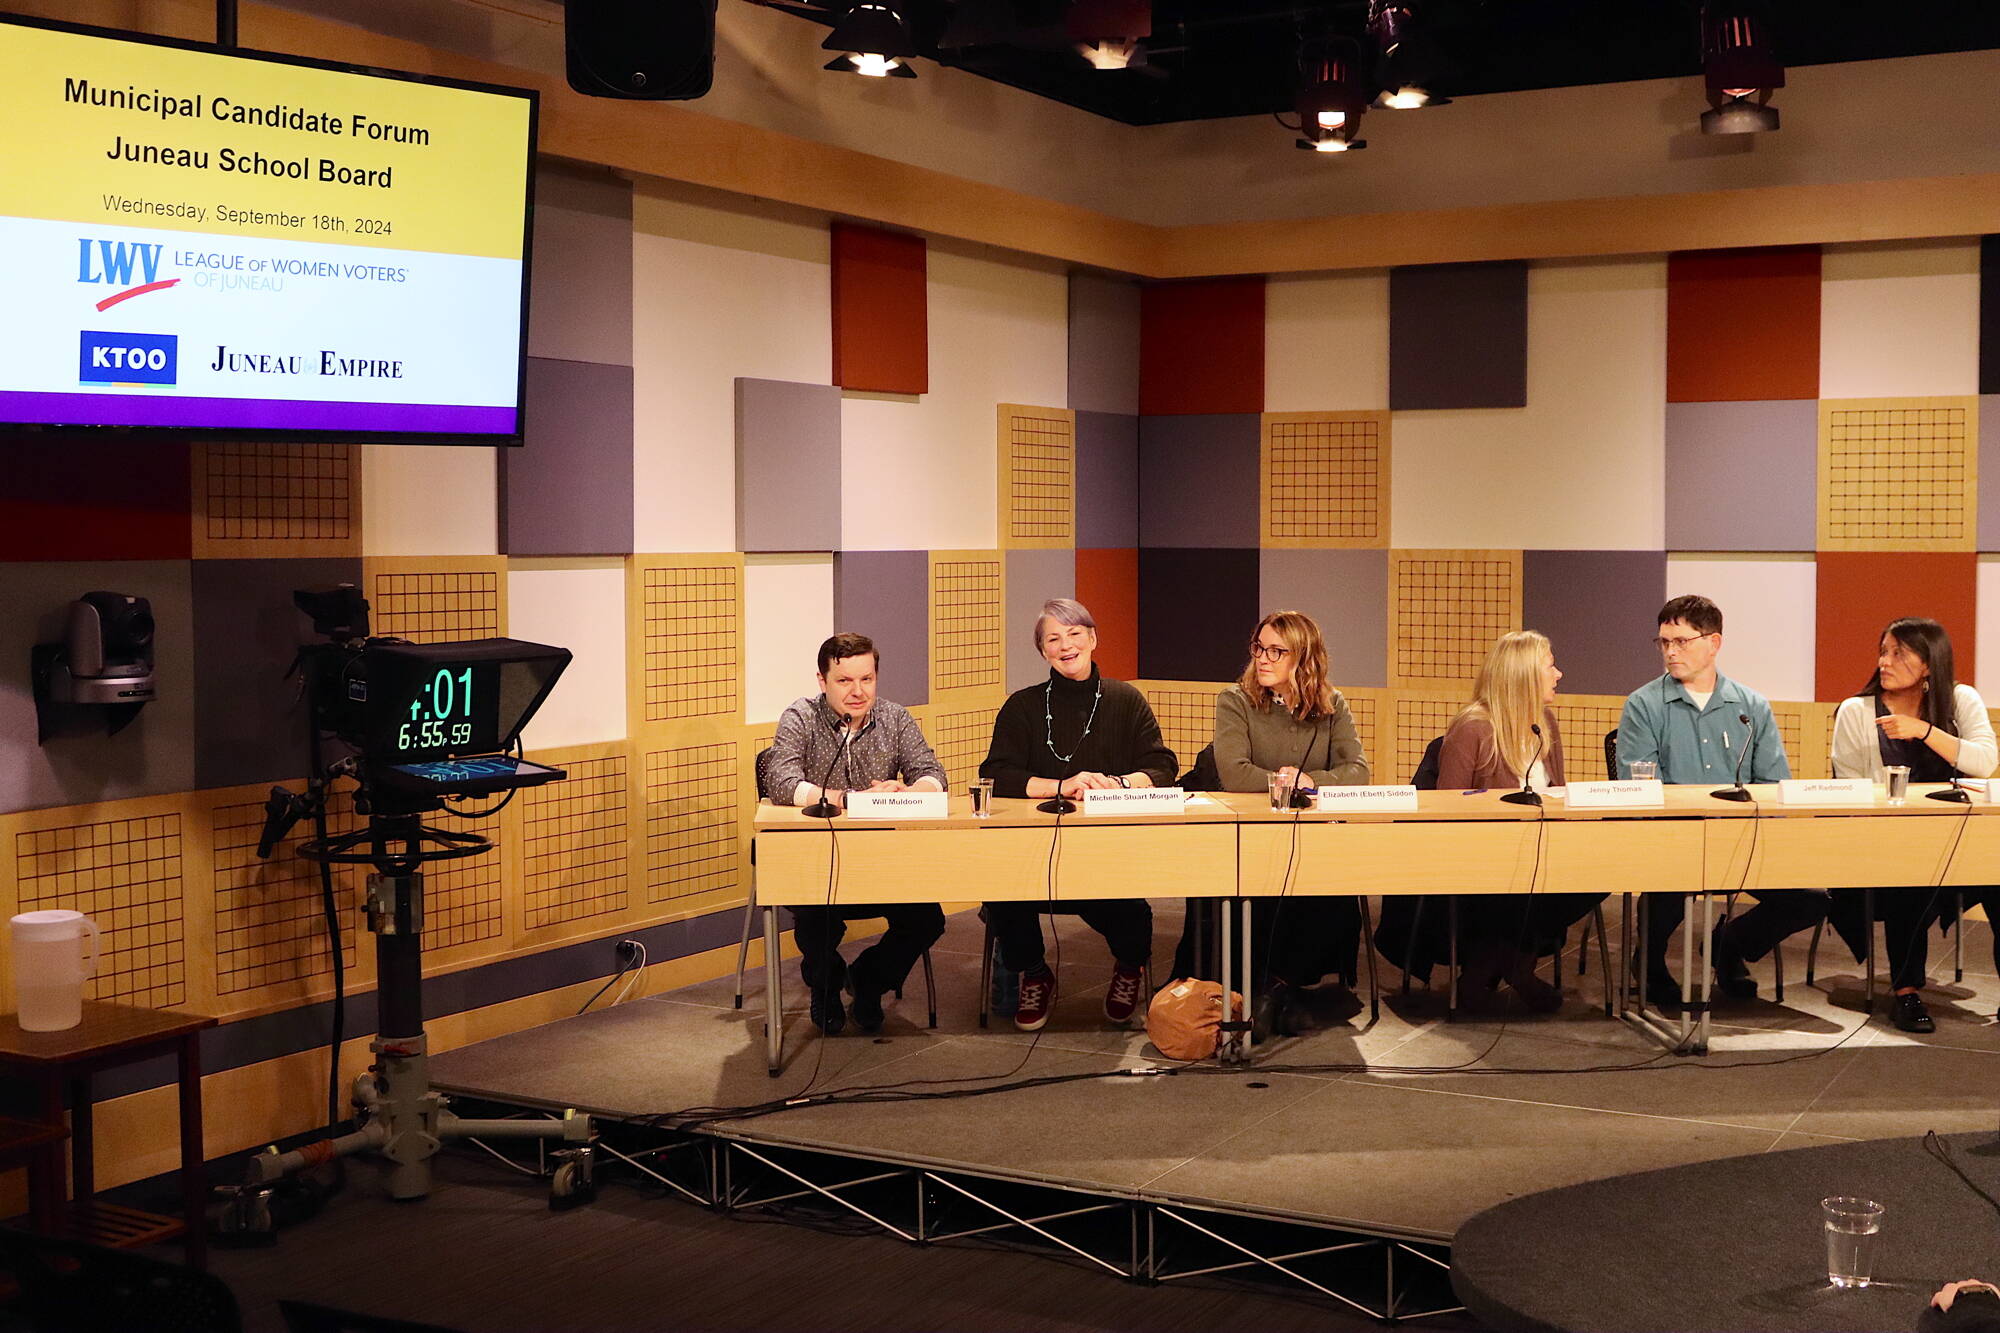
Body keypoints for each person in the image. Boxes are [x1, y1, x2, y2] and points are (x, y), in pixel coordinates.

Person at [1617, 594, 1826, 1008]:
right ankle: (1650, 962)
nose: (1670, 651)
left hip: (1743, 839)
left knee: (1811, 898)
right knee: (1668, 886)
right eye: (1663, 642)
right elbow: (1639, 786)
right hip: (1676, 839)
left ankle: (1728, 944)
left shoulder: (1751, 706)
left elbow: (1772, 783)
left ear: (1713, 643)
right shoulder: (1643, 705)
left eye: (1681, 641)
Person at [980, 599, 1177, 1032]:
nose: (1065, 645)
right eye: (1053, 638)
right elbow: (996, 773)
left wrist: (1120, 784)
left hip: (1107, 848)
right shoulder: (1023, 706)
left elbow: (1163, 766)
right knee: (1001, 892)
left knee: (1128, 911)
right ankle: (1034, 972)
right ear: (1042, 651)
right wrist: (1062, 786)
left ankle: (1129, 969)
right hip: (1036, 850)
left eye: (1074, 634)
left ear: (1092, 639)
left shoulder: (1126, 699)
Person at [765, 632, 948, 1036]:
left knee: (928, 920)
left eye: (866, 679)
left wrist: (909, 790)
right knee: (816, 923)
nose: (857, 691)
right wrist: (848, 799)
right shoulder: (800, 716)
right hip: (819, 858)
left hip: (884, 858)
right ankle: (826, 986)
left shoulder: (895, 717)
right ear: (822, 680)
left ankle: (867, 980)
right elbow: (780, 780)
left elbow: (935, 776)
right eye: (845, 681)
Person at [1828, 617, 1997, 1033]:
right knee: (1908, 875)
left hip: (1957, 843)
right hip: (1885, 843)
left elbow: (1985, 763)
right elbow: (1849, 787)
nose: (1884, 662)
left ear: (1928, 666)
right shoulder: (1857, 711)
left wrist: (1925, 731)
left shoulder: (1960, 700)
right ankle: (1906, 992)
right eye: (1883, 651)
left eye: (1898, 654)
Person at [1208, 610, 1371, 1038]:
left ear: (1304, 658)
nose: (1263, 658)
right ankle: (1279, 993)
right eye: (1259, 647)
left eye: (1276, 651)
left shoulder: (1332, 706)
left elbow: (1358, 771)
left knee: (1330, 899)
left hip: (1312, 839)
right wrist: (1283, 783)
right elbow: (1235, 774)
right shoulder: (1236, 701)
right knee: (1262, 893)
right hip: (1250, 837)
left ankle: (1276, 990)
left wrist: (1310, 782)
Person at [1432, 630, 1602, 1012]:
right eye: (1549, 667)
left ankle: (1496, 963)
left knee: (1600, 873)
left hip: (1544, 848)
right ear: (1523, 676)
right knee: (1519, 885)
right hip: (1485, 855)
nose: (1558, 674)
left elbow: (1557, 791)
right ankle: (1516, 968)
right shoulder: (1473, 727)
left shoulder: (1545, 723)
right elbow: (1446, 808)